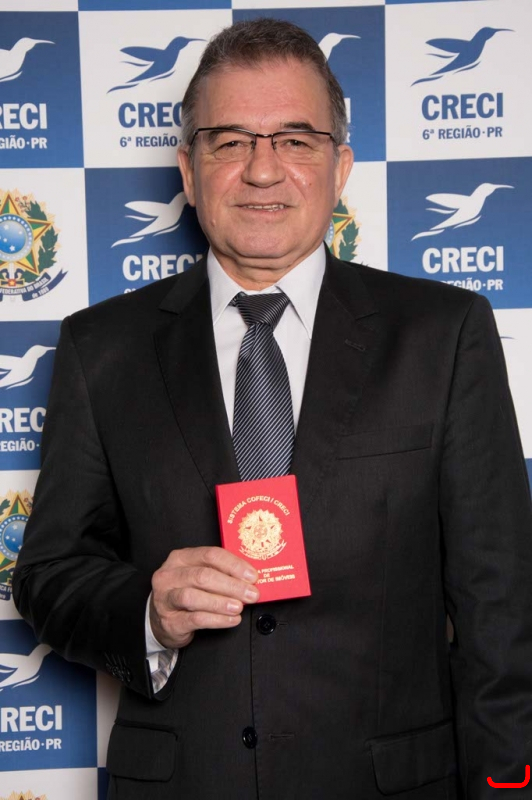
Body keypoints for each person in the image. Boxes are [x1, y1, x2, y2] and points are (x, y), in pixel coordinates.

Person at [13, 17, 532, 800]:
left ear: (340, 165)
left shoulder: (443, 334)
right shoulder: (101, 347)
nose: (262, 170)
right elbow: (48, 576)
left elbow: (501, 606)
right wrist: (148, 613)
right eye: (230, 141)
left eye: (296, 139)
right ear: (188, 170)